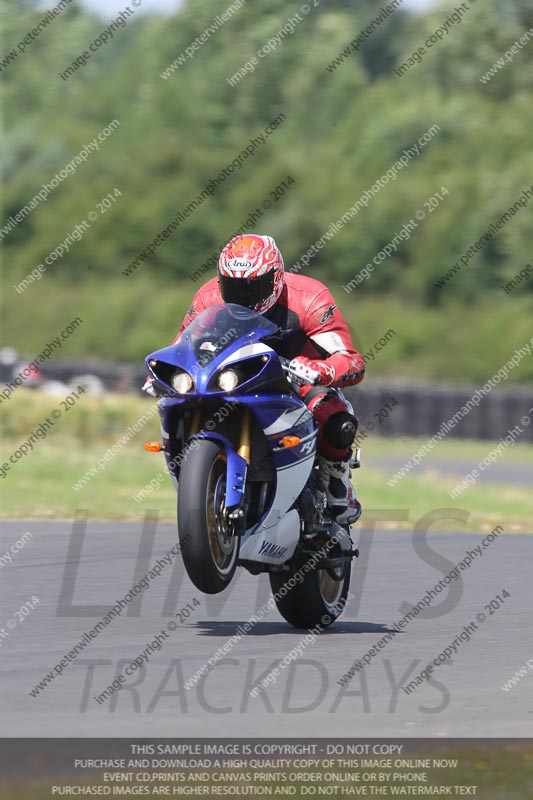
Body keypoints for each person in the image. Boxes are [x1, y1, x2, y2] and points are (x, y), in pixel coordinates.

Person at [172, 234, 365, 524]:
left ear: (275, 278)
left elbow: (350, 359)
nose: (243, 296)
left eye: (253, 287)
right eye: (233, 286)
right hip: (234, 375)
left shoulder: (309, 297)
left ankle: (336, 477)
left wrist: (320, 369)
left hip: (297, 377)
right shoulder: (208, 295)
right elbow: (182, 345)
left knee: (335, 419)